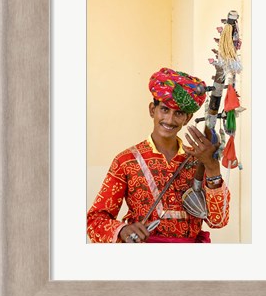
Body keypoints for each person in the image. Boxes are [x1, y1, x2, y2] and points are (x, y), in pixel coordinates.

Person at [87, 68, 230, 243]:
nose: (169, 120)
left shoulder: (199, 159)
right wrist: (123, 230)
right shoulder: (126, 160)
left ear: (188, 118)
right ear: (152, 110)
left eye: (178, 113)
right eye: (164, 109)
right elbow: (95, 220)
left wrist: (212, 166)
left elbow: (218, 221)